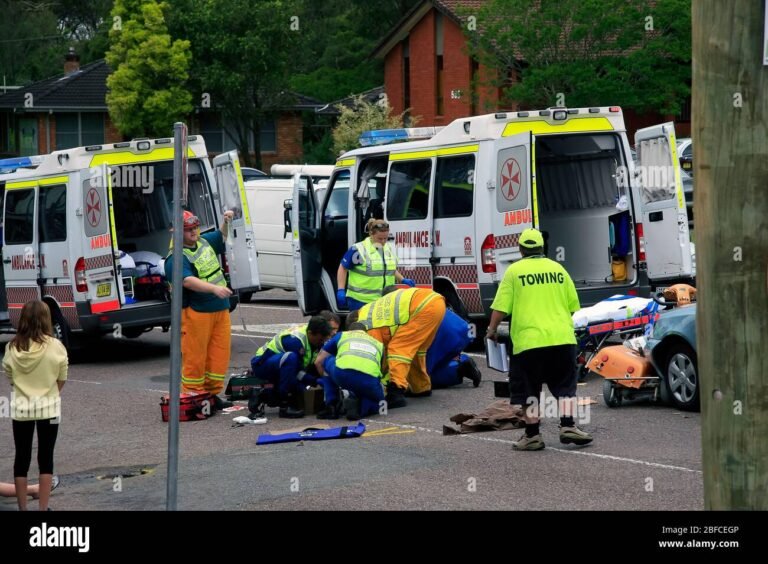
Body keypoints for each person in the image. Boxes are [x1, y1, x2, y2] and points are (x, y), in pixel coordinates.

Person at [486, 228, 593, 451]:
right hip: (562, 339)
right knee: (565, 385)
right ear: (542, 248)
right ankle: (568, 426)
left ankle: (532, 435)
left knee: (528, 387)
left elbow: (500, 307)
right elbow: (574, 307)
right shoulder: (558, 269)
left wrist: (491, 329)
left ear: (521, 249)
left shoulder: (514, 272)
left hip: (529, 342)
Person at [165, 209, 234, 410]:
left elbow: (221, 236)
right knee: (195, 358)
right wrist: (214, 288)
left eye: (195, 228)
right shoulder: (175, 258)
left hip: (219, 310)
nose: (194, 232)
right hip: (197, 313)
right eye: (188, 230)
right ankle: (193, 398)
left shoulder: (203, 241)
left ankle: (212, 396)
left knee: (218, 355)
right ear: (177, 233)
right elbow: (187, 280)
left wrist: (226, 221)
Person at [3, 300, 68, 511]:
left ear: (23, 320)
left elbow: (11, 378)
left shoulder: (12, 348)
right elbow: (62, 378)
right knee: (46, 457)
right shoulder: (56, 346)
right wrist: (49, 393)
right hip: (49, 408)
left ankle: (23, 508)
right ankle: (43, 508)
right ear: (46, 319)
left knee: (21, 458)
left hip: (22, 410)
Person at [348, 287, 446, 408]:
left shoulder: (366, 324)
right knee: (415, 350)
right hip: (434, 302)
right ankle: (421, 387)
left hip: (423, 307)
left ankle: (396, 392)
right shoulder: (368, 310)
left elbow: (377, 357)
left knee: (398, 348)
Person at [249, 316, 333, 418]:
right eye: (320, 339)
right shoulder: (295, 341)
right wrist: (314, 381)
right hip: (262, 364)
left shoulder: (314, 333)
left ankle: (262, 395)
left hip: (281, 366)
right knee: (291, 359)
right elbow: (297, 372)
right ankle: (284, 406)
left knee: (301, 388)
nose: (322, 342)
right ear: (310, 333)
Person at [336, 218, 415, 312]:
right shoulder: (359, 250)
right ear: (371, 234)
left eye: (385, 238)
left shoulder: (388, 248)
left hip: (384, 301)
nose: (383, 241)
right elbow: (343, 268)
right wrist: (340, 289)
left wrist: (402, 279)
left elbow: (389, 269)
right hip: (360, 301)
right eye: (380, 238)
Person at [314, 322, 387, 421]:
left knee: (327, 360)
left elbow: (318, 362)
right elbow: (382, 370)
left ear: (349, 330)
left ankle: (331, 405)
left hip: (343, 374)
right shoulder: (378, 344)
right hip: (371, 381)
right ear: (366, 333)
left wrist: (328, 382)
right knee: (382, 406)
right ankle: (361, 409)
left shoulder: (342, 335)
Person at [427, 309, 482, 390]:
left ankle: (458, 368)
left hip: (440, 332)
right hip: (458, 325)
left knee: (422, 379)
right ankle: (462, 360)